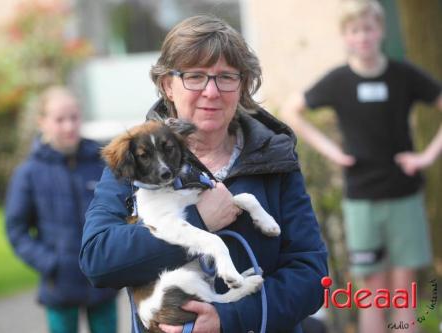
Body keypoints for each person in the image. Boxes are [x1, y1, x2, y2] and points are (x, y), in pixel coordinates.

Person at [79, 15, 328, 333]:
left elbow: (310, 272)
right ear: (168, 85)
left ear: (242, 85)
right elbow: (98, 261)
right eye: (195, 76)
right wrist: (198, 221)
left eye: (226, 77)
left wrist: (229, 319)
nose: (211, 91)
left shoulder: (274, 157)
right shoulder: (136, 160)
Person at [280, 1, 442, 332]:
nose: (363, 36)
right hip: (361, 198)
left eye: (368, 28)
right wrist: (332, 152)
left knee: (404, 288)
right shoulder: (338, 81)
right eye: (355, 30)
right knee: (372, 290)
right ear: (346, 37)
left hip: (404, 194)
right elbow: (291, 109)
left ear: (380, 31)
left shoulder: (404, 74)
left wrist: (426, 156)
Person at [5, 86, 118, 333]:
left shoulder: (103, 162)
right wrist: (50, 263)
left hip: (103, 282)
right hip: (59, 285)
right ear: (42, 122)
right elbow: (16, 230)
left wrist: (112, 255)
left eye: (74, 117)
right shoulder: (29, 173)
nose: (69, 126)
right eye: (59, 120)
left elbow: (120, 212)